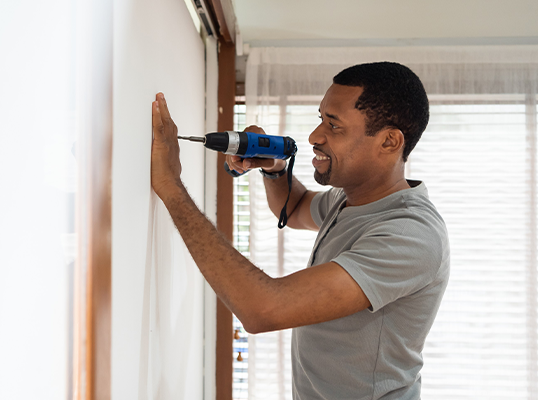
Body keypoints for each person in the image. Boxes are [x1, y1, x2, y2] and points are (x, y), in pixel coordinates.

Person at [150, 61, 449, 400]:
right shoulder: (351, 198)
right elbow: (295, 207)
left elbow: (263, 309)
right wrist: (275, 168)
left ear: (389, 141)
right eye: (320, 118)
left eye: (334, 126)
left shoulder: (409, 235)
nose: (314, 137)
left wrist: (171, 187)